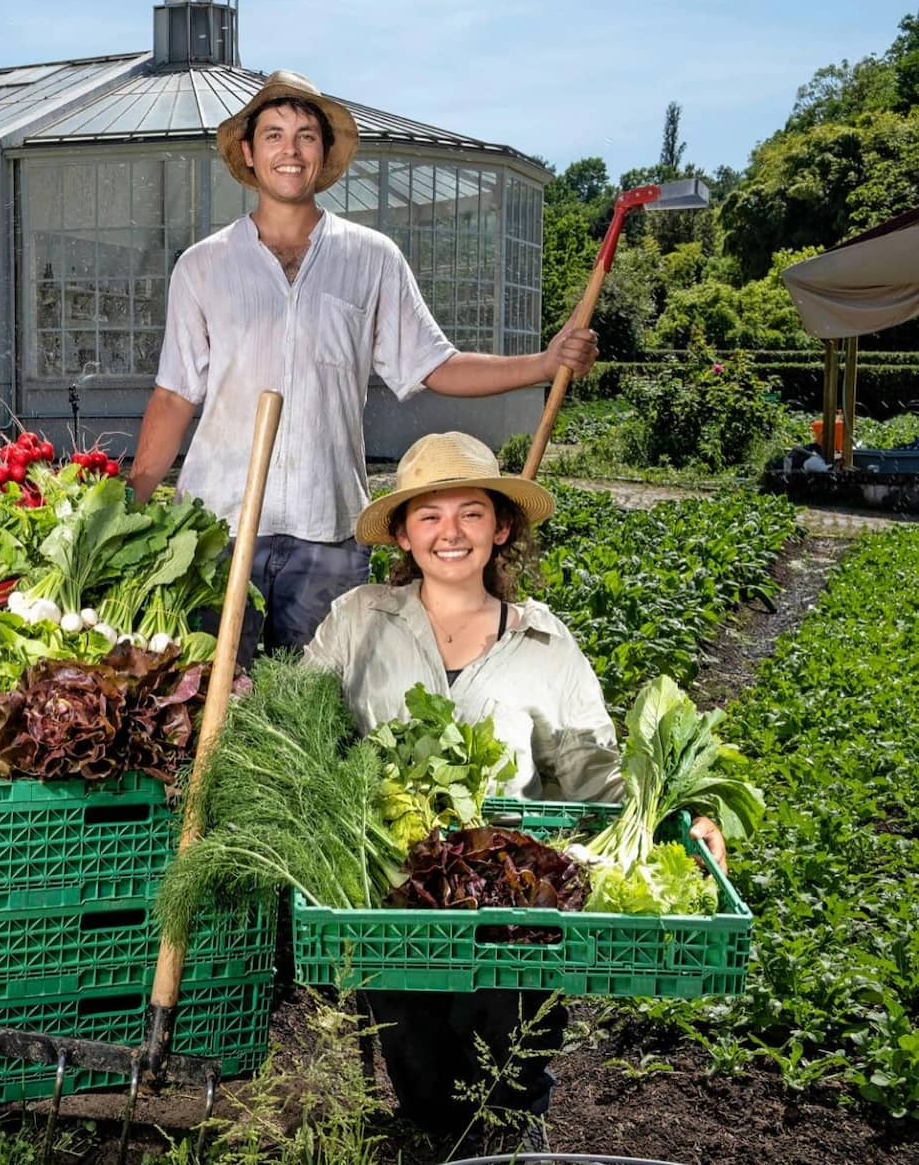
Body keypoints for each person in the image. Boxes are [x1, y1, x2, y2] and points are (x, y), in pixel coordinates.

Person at [301, 430, 727, 1155]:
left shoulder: (547, 644)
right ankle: (436, 1134)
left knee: (510, 1070)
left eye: (471, 513)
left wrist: (679, 816)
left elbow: (596, 771)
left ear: (502, 529)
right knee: (418, 1063)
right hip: (393, 895)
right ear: (403, 534)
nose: (451, 533)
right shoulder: (358, 619)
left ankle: (509, 1141)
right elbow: (298, 728)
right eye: (429, 516)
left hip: (514, 896)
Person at [128, 70, 600, 664]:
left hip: (328, 529)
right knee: (209, 704)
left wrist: (544, 361)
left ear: (323, 153)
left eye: (305, 135)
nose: (290, 150)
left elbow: (438, 365)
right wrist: (134, 505)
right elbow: (174, 397)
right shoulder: (203, 267)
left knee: (318, 713)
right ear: (249, 154)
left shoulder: (371, 257)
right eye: (273, 135)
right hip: (217, 528)